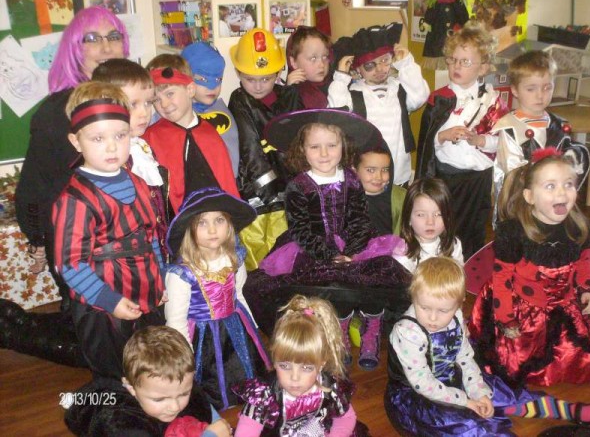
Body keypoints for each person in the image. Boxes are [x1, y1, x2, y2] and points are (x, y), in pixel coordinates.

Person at [245, 109, 411, 370]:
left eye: (331, 145)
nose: (324, 154)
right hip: (312, 248)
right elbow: (301, 230)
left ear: (343, 146)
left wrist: (354, 251)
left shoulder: (352, 180)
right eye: (315, 146)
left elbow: (359, 219)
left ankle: (372, 329)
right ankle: (339, 332)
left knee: (379, 276)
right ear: (302, 149)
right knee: (330, 284)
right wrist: (330, 254)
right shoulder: (298, 186)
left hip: (354, 243)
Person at [385, 257, 590, 436]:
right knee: (466, 427)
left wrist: (478, 392)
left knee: (501, 393)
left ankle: (566, 409)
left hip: (451, 378)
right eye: (424, 307)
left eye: (443, 311)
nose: (432, 318)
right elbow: (423, 383)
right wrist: (467, 401)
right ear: (413, 297)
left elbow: (465, 358)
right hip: (415, 395)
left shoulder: (456, 318)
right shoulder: (408, 332)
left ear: (458, 305)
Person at [16, 6, 129, 314]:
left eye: (113, 36)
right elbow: (33, 188)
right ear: (73, 50)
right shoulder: (57, 112)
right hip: (80, 248)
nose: (106, 46)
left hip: (130, 245)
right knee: (97, 334)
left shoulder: (132, 102)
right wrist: (39, 239)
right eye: (91, 38)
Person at [53, 81, 166, 381]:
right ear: (76, 142)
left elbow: (151, 236)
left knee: (151, 369)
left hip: (148, 298)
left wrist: (161, 279)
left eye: (120, 135)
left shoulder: (139, 183)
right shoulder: (74, 199)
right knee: (116, 376)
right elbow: (70, 263)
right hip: (103, 308)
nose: (112, 146)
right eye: (98, 138)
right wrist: (109, 301)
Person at [468, 149, 590, 386]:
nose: (562, 191)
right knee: (517, 360)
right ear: (529, 196)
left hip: (565, 305)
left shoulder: (578, 226)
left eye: (568, 184)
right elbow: (502, 279)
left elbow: (584, 261)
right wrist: (506, 319)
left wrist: (588, 289)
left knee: (581, 355)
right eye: (550, 186)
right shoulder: (514, 233)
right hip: (525, 309)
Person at [164, 187, 271, 410]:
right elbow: (176, 320)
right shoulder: (182, 273)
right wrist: (185, 357)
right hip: (201, 335)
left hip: (236, 325)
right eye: (202, 222)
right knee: (211, 375)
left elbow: (239, 294)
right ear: (189, 229)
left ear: (229, 225)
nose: (212, 229)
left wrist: (253, 328)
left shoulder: (235, 258)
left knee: (244, 367)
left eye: (219, 220)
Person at [415, 20, 509, 259]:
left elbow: (503, 142)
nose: (457, 66)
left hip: (478, 178)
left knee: (473, 227)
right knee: (444, 223)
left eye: (465, 62)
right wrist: (443, 136)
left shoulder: (493, 102)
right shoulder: (439, 99)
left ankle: (469, 267)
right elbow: (427, 141)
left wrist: (480, 140)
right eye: (453, 59)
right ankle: (442, 266)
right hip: (447, 176)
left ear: (483, 67)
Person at [232, 294, 370, 436]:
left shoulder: (330, 387)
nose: (294, 377)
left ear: (321, 364)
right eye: (285, 366)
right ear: (275, 360)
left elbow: (346, 418)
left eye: (306, 368)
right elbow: (246, 430)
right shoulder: (266, 394)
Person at [65, 326, 233, 437]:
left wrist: (217, 424)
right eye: (159, 399)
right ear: (131, 388)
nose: (175, 406)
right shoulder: (121, 423)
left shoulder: (177, 387)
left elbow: (203, 408)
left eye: (183, 394)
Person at [228, 28, 302, 270]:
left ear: (279, 72)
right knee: (260, 252)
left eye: (266, 78)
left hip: (289, 188)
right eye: (250, 79)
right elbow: (250, 147)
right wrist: (268, 191)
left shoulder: (287, 95)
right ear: (238, 72)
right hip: (258, 191)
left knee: (288, 252)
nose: (258, 86)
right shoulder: (239, 100)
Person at [328, 22, 430, 187]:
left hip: (399, 172)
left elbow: (420, 96)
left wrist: (407, 64)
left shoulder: (399, 88)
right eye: (370, 65)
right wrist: (340, 77)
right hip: (367, 176)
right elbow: (336, 113)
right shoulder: (354, 93)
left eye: (385, 60)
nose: (380, 68)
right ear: (358, 68)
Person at [91, 59, 168, 259]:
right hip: (126, 264)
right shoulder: (108, 162)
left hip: (154, 254)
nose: (144, 113)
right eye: (133, 104)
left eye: (148, 102)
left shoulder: (141, 148)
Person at [143, 63, 239, 215]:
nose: (164, 104)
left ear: (190, 89)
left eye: (169, 94)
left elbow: (227, 185)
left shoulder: (210, 135)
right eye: (155, 99)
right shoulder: (150, 138)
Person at [494, 50, 590, 196]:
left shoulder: (558, 124)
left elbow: (572, 162)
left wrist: (572, 156)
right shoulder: (510, 128)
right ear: (514, 90)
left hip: (556, 196)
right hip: (523, 200)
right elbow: (512, 174)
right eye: (531, 89)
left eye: (547, 88)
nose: (540, 95)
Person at [181, 42, 240, 176]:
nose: (212, 86)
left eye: (218, 79)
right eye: (203, 79)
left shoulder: (222, 113)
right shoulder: (174, 113)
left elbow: (232, 165)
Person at [394, 178, 463, 273]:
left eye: (438, 214)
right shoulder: (402, 254)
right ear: (408, 218)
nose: (430, 222)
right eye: (421, 215)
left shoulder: (454, 245)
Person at [353, 146, 406, 236]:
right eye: (371, 170)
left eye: (385, 170)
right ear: (355, 171)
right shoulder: (347, 199)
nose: (379, 177)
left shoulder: (400, 198)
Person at [421, 0, 469, 70]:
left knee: (454, 57)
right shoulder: (435, 2)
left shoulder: (458, 2)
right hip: (437, 38)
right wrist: (426, 22)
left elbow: (464, 18)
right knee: (439, 65)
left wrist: (461, 26)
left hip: (455, 37)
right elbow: (430, 15)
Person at [286, 26, 333, 109]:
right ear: (293, 62)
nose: (321, 64)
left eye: (325, 56)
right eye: (313, 58)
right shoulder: (294, 93)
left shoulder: (335, 85)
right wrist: (289, 92)